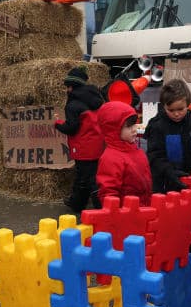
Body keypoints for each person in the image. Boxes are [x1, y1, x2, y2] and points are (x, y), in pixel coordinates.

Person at [144, 79, 191, 258]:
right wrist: (169, 172)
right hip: (166, 184)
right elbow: (154, 156)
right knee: (171, 223)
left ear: (189, 105)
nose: (177, 114)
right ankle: (173, 254)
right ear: (164, 107)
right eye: (172, 110)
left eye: (181, 109)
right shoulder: (157, 126)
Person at [55, 66, 104, 213]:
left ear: (72, 86)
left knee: (89, 179)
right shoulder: (96, 99)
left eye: (68, 87)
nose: (67, 90)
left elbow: (72, 128)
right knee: (84, 176)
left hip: (83, 147)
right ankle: (77, 202)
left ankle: (101, 207)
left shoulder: (73, 104)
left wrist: (57, 124)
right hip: (98, 144)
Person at [96, 101, 153, 206]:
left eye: (135, 124)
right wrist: (116, 214)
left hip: (144, 210)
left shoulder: (137, 152)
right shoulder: (110, 158)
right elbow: (108, 192)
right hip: (126, 214)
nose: (135, 129)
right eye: (128, 126)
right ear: (114, 130)